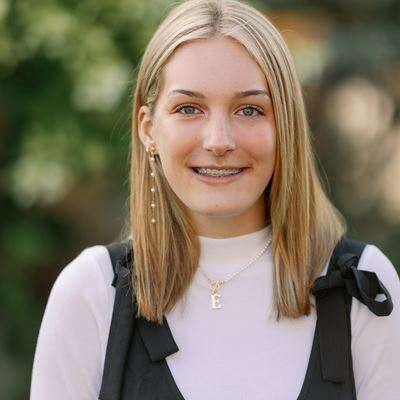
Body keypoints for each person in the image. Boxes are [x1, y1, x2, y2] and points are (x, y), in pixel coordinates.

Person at [30, 0, 400, 399]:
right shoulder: (90, 293)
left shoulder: (364, 287)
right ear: (149, 130)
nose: (219, 141)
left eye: (249, 110)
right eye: (189, 108)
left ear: (286, 127)